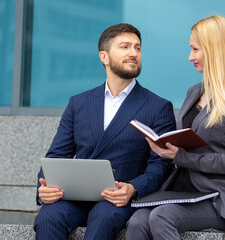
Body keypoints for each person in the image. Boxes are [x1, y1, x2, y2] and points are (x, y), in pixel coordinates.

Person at [126, 15, 225, 240]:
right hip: (182, 191)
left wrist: (180, 156)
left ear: (214, 49)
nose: (190, 57)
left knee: (161, 216)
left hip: (218, 199)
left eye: (195, 49)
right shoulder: (194, 91)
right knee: (138, 220)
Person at [33, 23, 176, 240]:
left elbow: (161, 165)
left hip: (121, 199)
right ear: (104, 57)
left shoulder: (157, 107)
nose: (133, 53)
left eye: (137, 48)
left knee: (103, 216)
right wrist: (43, 188)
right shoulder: (78, 103)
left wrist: (133, 188)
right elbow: (56, 155)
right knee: (48, 216)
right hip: (77, 198)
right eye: (125, 47)